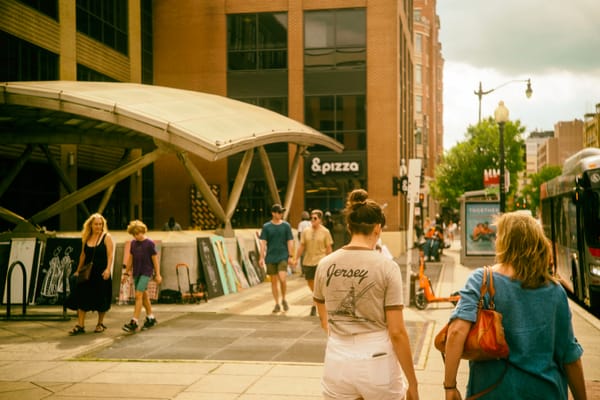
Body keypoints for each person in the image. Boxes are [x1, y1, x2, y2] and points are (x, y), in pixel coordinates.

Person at [443, 212, 586, 400]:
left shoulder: (481, 281)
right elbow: (569, 355)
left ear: (505, 242)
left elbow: (456, 332)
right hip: (545, 391)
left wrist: (450, 386)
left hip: (493, 393)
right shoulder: (555, 291)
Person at [313, 189, 419, 400]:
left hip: (337, 359)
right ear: (378, 228)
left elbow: (325, 320)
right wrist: (413, 384)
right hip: (377, 358)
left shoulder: (325, 265)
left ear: (349, 226)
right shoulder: (387, 267)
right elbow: (397, 332)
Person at [67, 213, 114, 335]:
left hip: (101, 272)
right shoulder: (86, 237)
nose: (98, 226)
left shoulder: (107, 237)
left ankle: (100, 324)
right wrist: (78, 270)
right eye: (96, 224)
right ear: (91, 225)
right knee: (82, 296)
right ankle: (80, 325)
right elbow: (83, 255)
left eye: (100, 224)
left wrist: (108, 269)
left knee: (101, 298)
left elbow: (110, 255)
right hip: (87, 273)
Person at [122, 220, 163, 332]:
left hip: (146, 272)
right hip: (137, 272)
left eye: (139, 233)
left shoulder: (149, 243)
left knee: (138, 295)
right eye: (135, 234)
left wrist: (158, 274)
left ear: (143, 231)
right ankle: (151, 318)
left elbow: (155, 260)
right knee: (144, 295)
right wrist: (126, 272)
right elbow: (130, 258)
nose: (137, 236)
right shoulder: (133, 243)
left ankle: (134, 321)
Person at [295, 209, 333, 316]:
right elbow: (302, 246)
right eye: (311, 218)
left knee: (318, 284)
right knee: (310, 283)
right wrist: (295, 259)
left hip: (320, 261)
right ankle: (318, 298)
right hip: (308, 261)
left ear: (320, 220)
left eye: (315, 218)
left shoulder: (325, 232)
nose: (312, 220)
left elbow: (329, 247)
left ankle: (314, 305)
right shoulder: (306, 231)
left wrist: (329, 262)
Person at [259, 203, 294, 313]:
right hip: (271, 256)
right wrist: (261, 257)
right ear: (273, 213)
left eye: (282, 212)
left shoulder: (286, 226)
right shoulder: (266, 227)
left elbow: (290, 241)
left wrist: (290, 255)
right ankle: (277, 303)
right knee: (273, 281)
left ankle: (284, 298)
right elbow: (263, 243)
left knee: (282, 278)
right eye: (279, 212)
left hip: (283, 255)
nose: (281, 214)